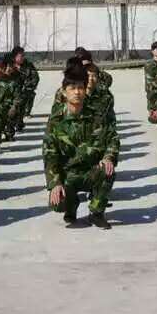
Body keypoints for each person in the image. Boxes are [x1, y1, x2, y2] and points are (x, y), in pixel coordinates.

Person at [43, 65, 120, 229]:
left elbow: (113, 139)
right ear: (64, 92)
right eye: (72, 88)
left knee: (107, 171)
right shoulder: (56, 121)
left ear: (85, 90)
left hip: (91, 170)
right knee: (58, 203)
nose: (77, 92)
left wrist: (108, 158)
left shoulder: (97, 116)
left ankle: (96, 212)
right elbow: (50, 155)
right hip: (68, 175)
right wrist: (55, 184)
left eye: (80, 88)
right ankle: (71, 206)